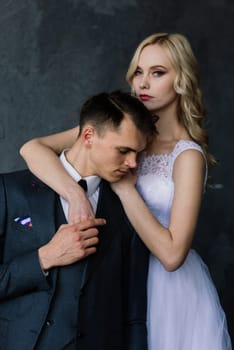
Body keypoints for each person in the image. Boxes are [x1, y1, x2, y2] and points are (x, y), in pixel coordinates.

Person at [20, 33, 232, 349]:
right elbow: (32, 149)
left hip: (166, 290)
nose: (143, 83)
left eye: (158, 72)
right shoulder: (117, 130)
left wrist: (125, 190)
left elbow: (173, 255)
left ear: (181, 79)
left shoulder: (187, 155)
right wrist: (75, 195)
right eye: (138, 72)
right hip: (116, 276)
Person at [0, 91, 157, 350]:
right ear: (88, 136)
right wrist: (45, 257)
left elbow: (134, 314)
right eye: (124, 151)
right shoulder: (10, 190)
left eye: (137, 153)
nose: (132, 163)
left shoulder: (128, 208)